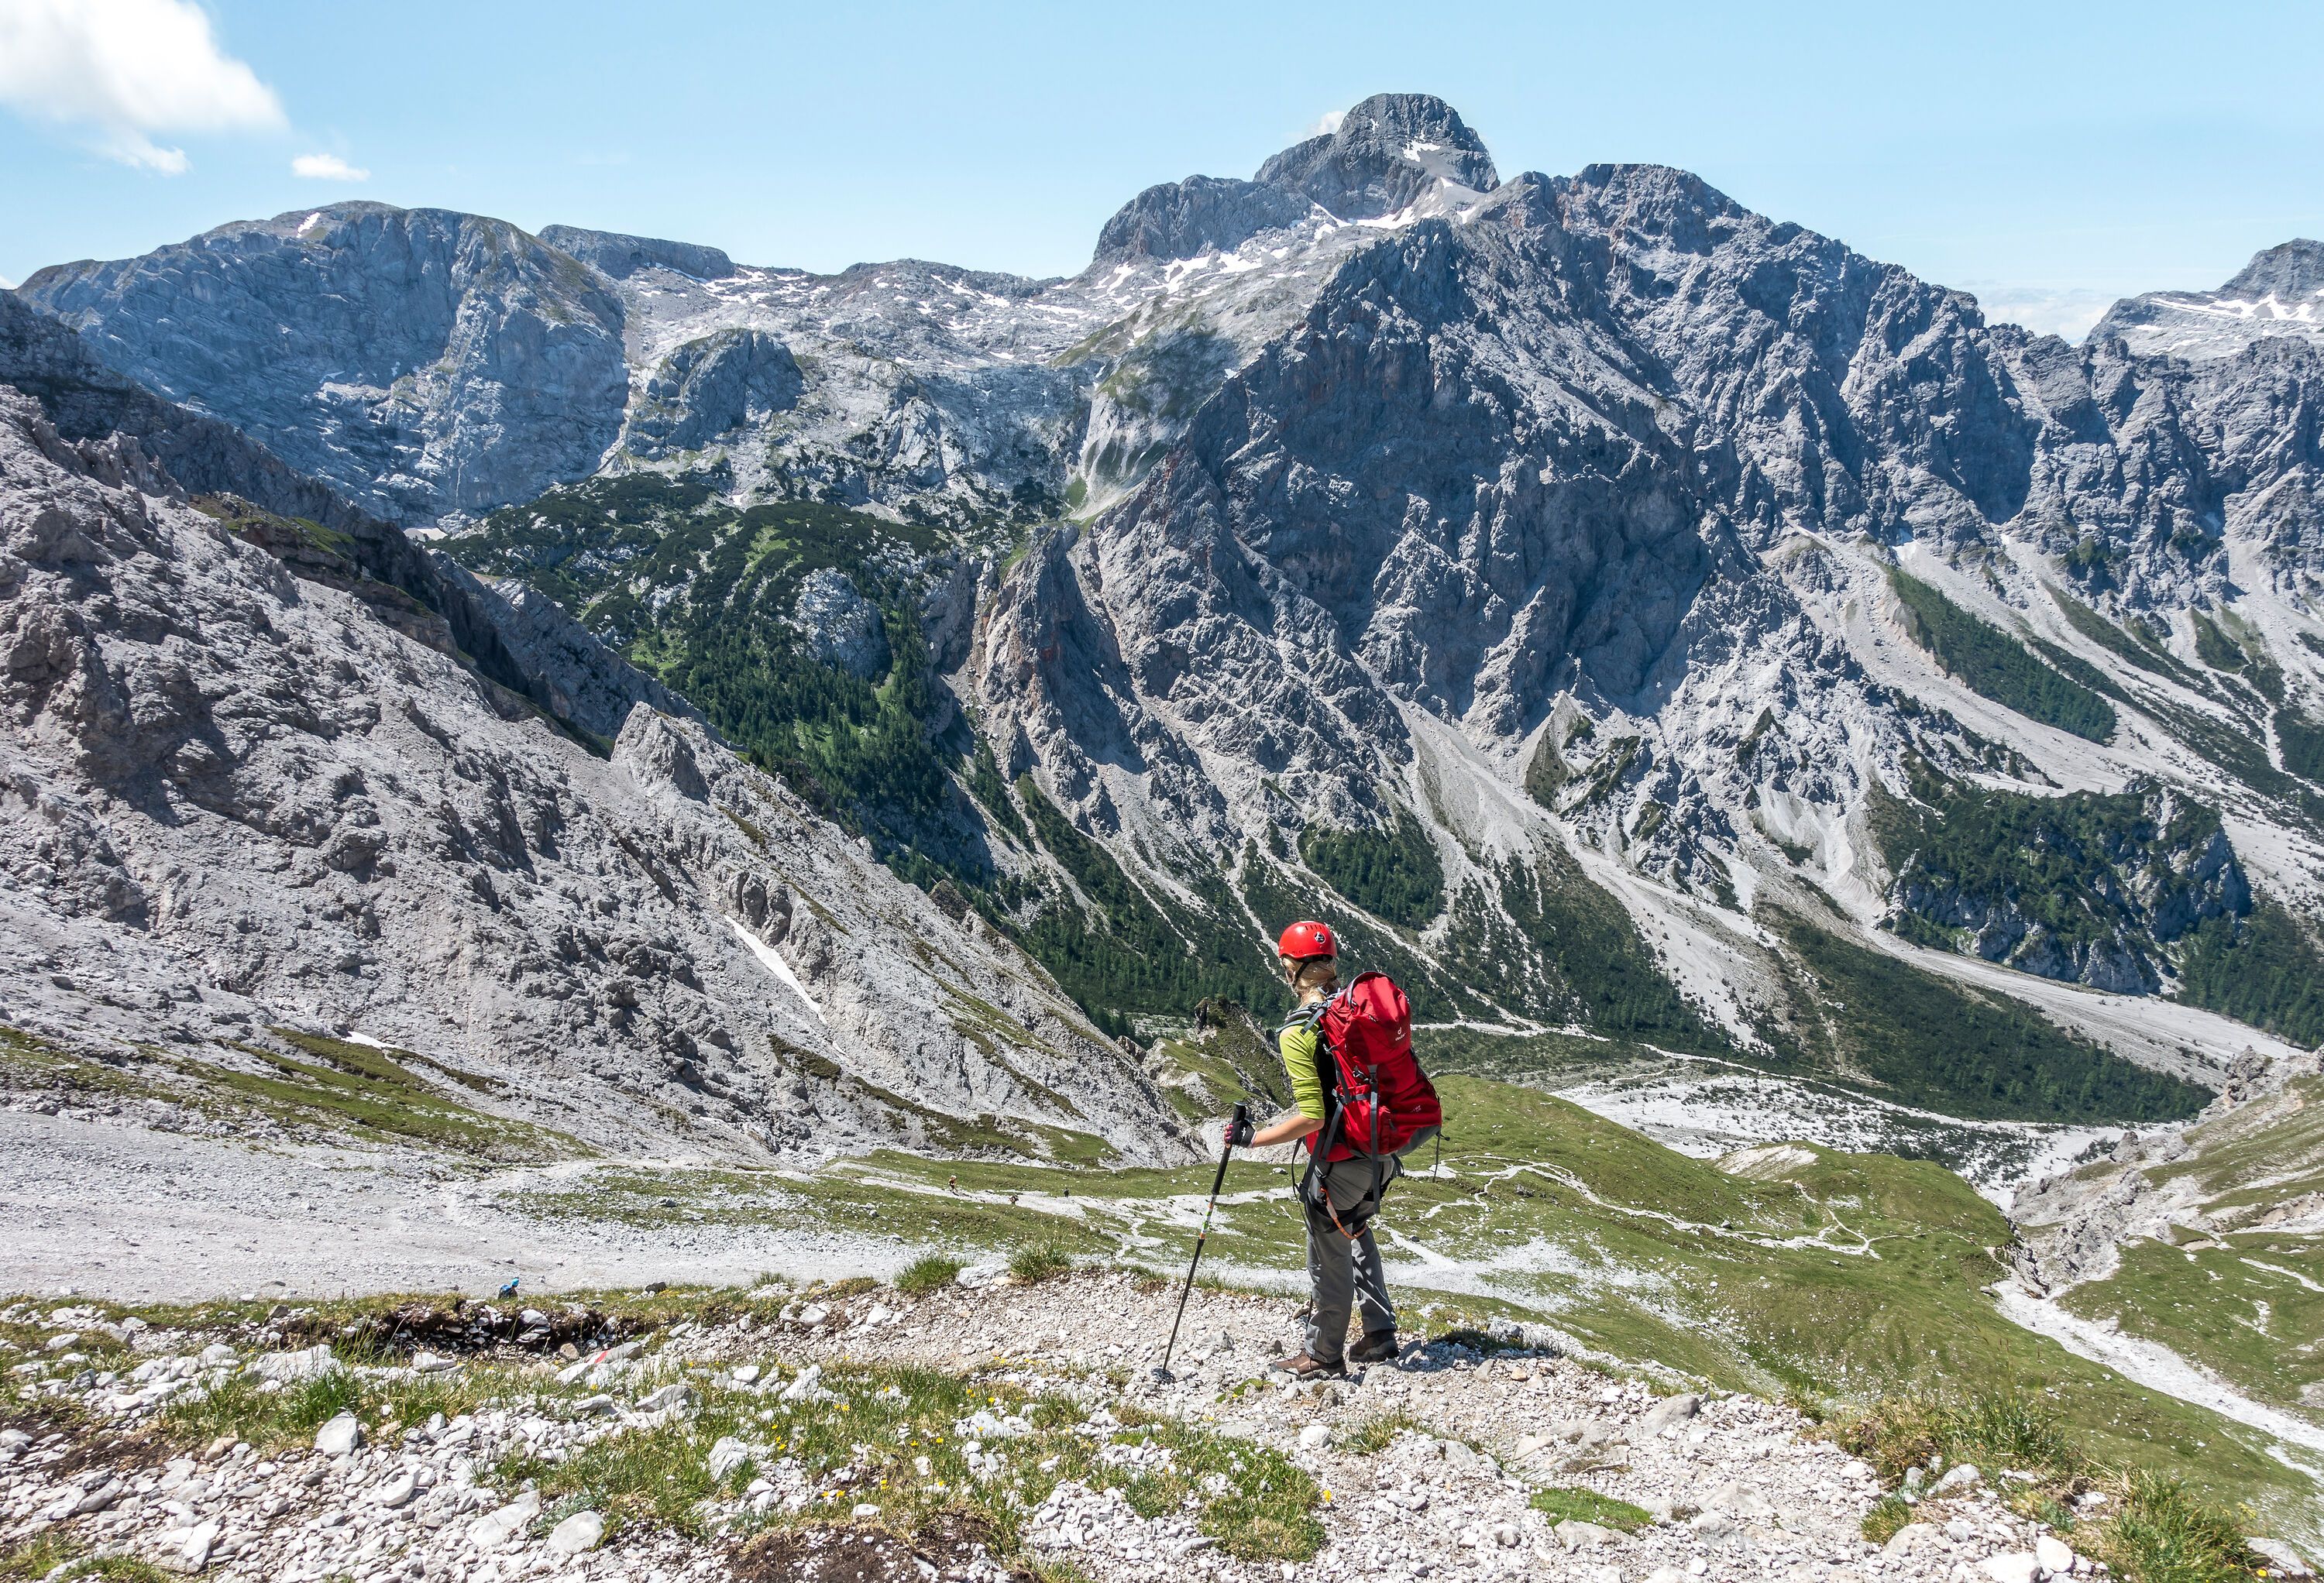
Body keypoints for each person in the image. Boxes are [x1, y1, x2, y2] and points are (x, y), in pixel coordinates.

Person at [1226, 919, 1400, 1377]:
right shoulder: (1357, 1010)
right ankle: (1379, 1333)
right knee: (1355, 1228)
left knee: (1326, 1251)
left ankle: (1323, 1354)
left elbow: (1313, 1116)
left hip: (1341, 1162)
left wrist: (1253, 1139)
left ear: (1292, 968)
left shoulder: (1298, 1031)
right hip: (1382, 1151)